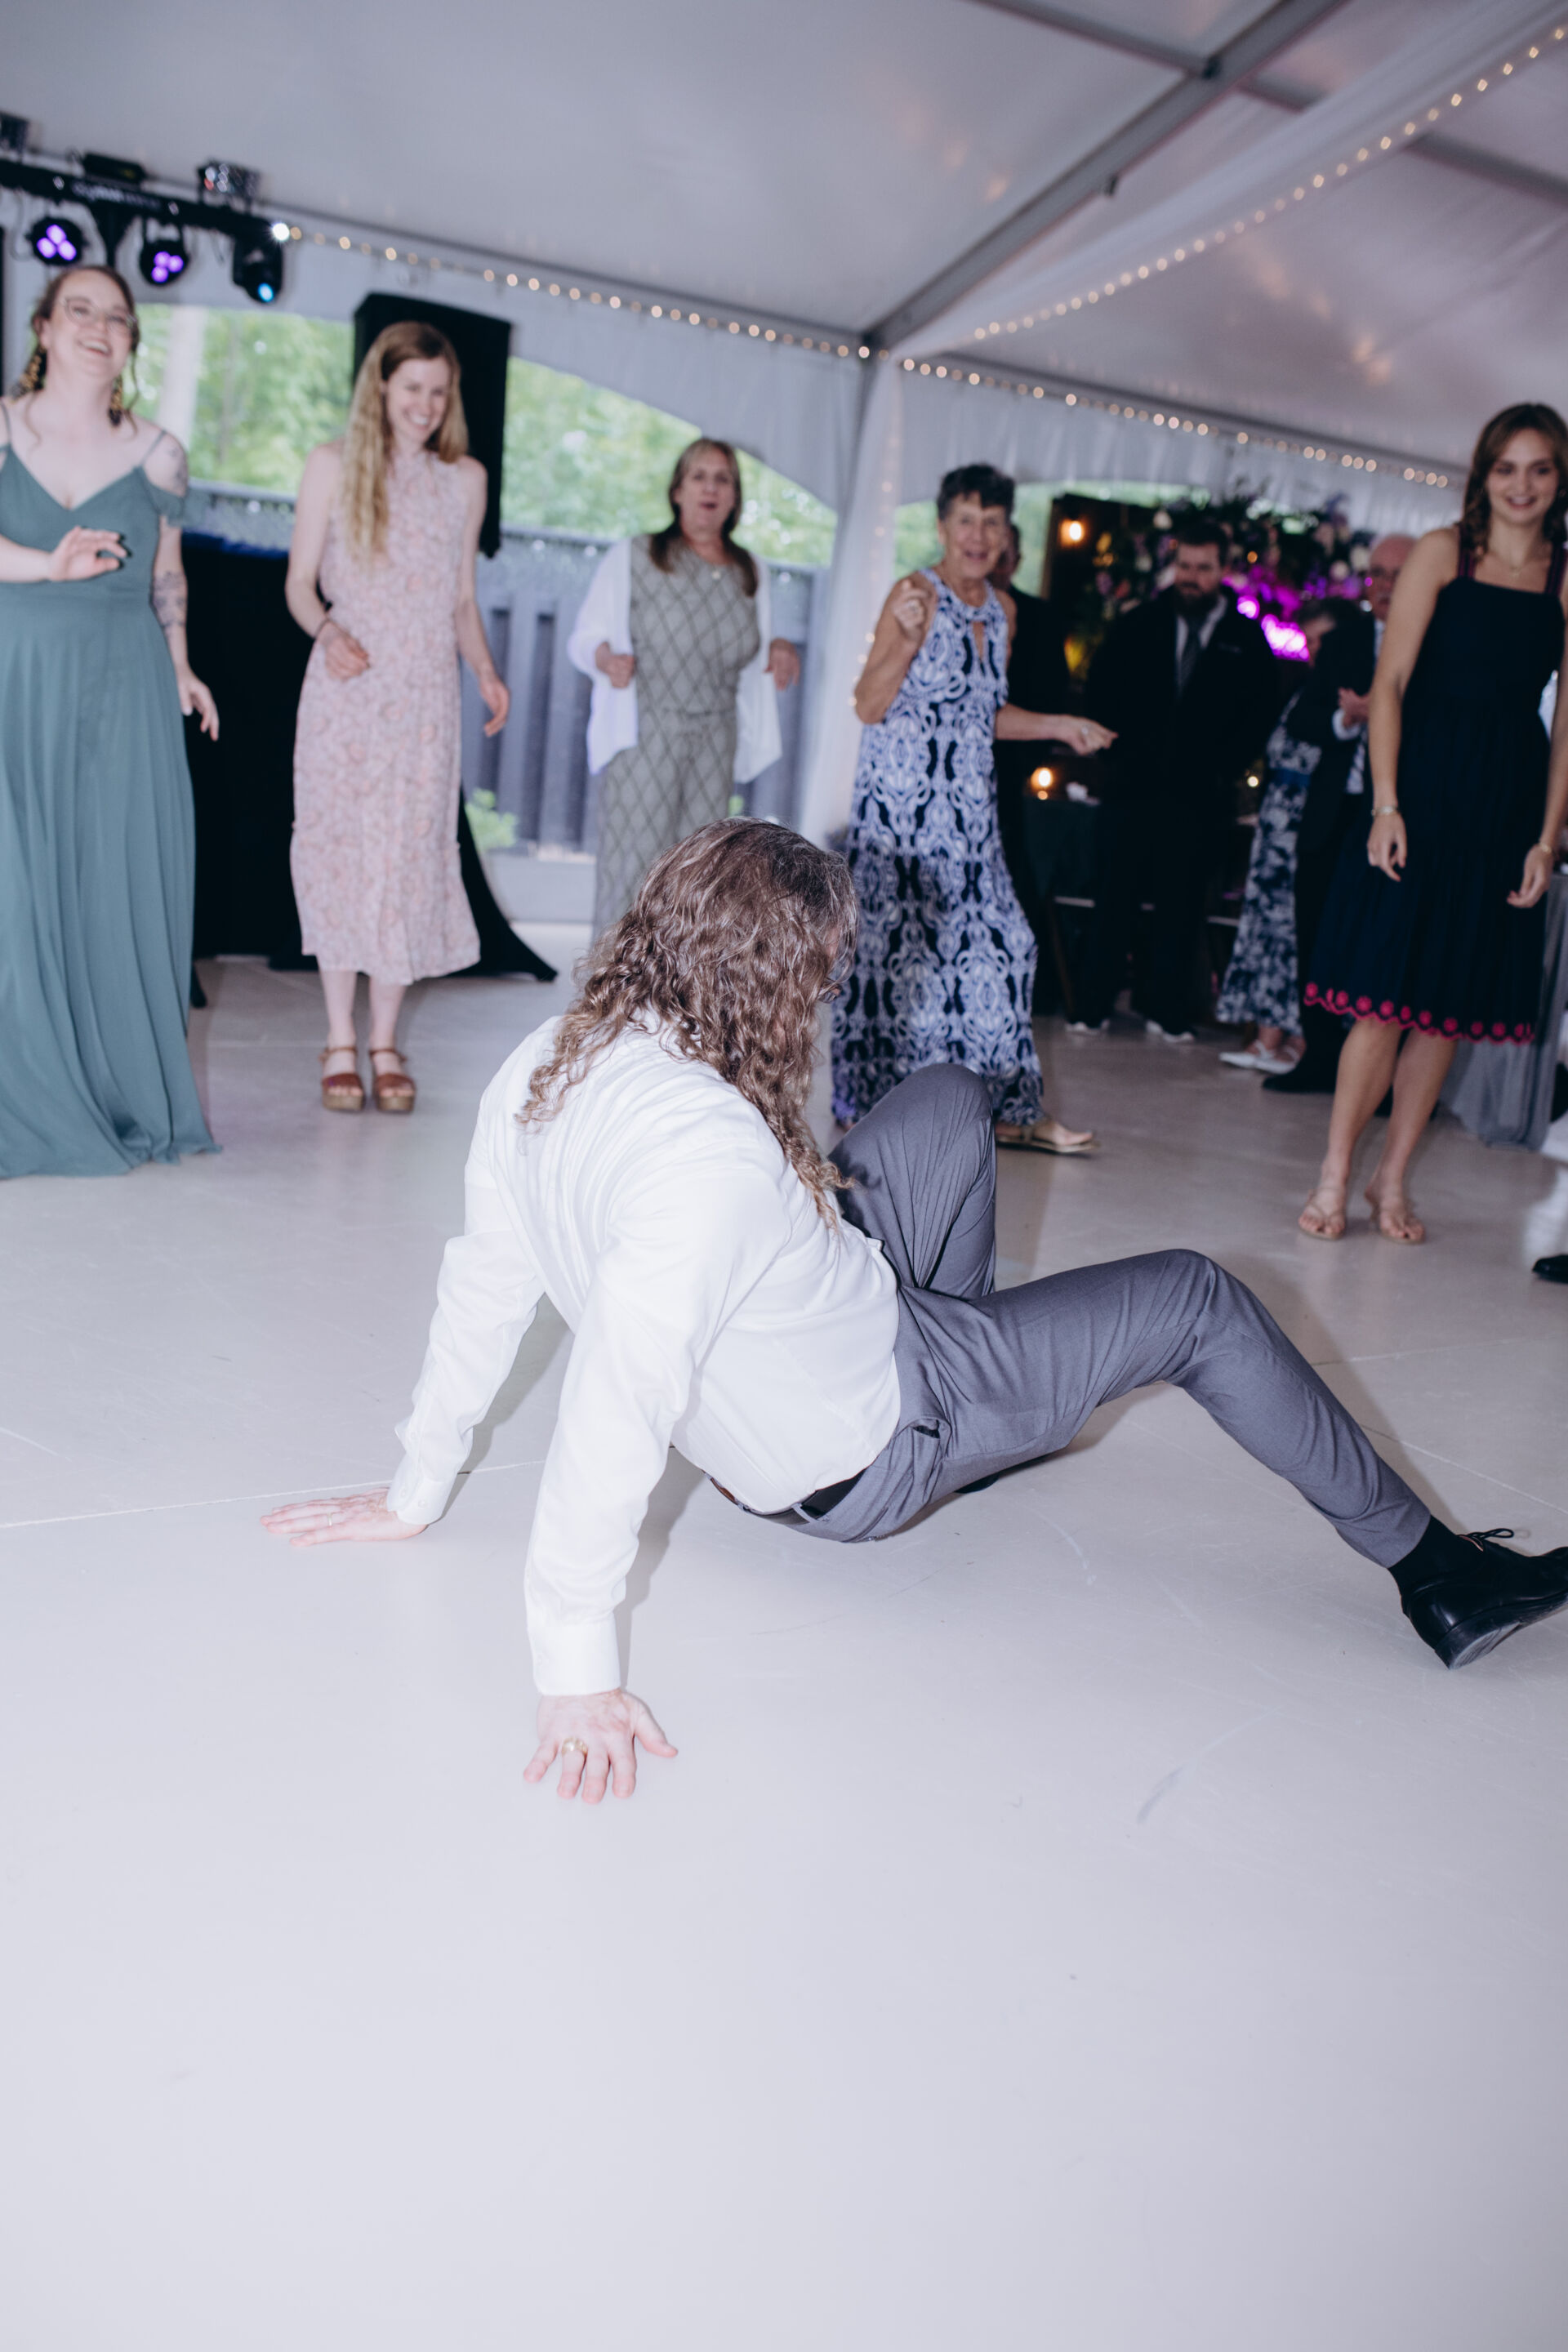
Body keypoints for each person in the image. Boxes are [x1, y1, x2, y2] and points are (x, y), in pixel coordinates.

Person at [263, 819, 1568, 1802]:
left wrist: (417, 1486)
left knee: (947, 1096)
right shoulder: (715, 1163)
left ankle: (998, 1398)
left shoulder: (545, 1058)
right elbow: (613, 1398)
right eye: (821, 977)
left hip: (823, 1351)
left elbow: (486, 1277)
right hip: (879, 1441)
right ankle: (1439, 1577)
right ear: (773, 983)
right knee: (1198, 1295)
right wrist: (573, 1671)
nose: (828, 996)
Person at [1299, 407, 1568, 1244]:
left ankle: (1392, 1179)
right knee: (1383, 998)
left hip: (1505, 801)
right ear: (1483, 473)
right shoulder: (1442, 553)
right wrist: (1386, 803)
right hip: (1420, 787)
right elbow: (1390, 684)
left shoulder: (1565, 575)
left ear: (1560, 480)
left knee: (1444, 1007)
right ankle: (1334, 1174)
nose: (1522, 486)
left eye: (1540, 469)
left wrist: (1547, 837)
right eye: (1507, 468)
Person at [0, 265, 218, 1179]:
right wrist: (47, 566)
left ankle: (112, 1085)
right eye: (80, 310)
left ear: (131, 342)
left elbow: (168, 571)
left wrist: (180, 666)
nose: (100, 327)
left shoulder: (160, 453)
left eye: (118, 318)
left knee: (108, 880)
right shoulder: (1, 427)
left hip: (122, 682)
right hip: (16, 674)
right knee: (15, 885)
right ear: (44, 328)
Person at [832, 464, 1111, 1150]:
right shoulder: (914, 593)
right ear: (942, 526)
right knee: (894, 957)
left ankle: (1007, 1110)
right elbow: (868, 705)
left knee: (1007, 945)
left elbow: (980, 712)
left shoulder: (1003, 610)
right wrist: (904, 641)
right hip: (901, 813)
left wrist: (1061, 725)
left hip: (968, 811)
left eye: (991, 523)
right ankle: (869, 1105)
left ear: (1007, 534)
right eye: (965, 521)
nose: (978, 536)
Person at [287, 320, 510, 1116]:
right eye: (412, 387)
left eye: (439, 392)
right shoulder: (332, 465)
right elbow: (299, 585)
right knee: (344, 854)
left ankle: (384, 1042)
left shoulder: (464, 480)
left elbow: (461, 599)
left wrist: (485, 671)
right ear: (380, 385)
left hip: (423, 697)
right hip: (347, 689)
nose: (425, 404)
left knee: (407, 859)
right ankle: (338, 1039)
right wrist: (328, 632)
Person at [567, 437, 800, 939]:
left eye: (722, 480)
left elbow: (757, 643)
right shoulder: (636, 556)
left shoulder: (751, 571)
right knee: (631, 869)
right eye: (699, 477)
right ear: (677, 491)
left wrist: (779, 644)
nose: (710, 489)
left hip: (717, 738)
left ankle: (677, 987)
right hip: (646, 732)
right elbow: (584, 637)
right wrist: (605, 658)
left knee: (697, 880)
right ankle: (608, 984)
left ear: (734, 497)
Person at [1075, 514, 1284, 1042]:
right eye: (1185, 566)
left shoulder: (1246, 638)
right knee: (1113, 899)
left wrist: (1224, 768)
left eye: (1203, 568)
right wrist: (1116, 757)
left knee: (1183, 905)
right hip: (1130, 788)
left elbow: (1261, 715)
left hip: (1200, 797)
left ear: (1223, 570)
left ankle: (1166, 1008)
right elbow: (1100, 691)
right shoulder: (1137, 623)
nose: (1192, 578)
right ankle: (1092, 1004)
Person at [1263, 539, 1416, 1096]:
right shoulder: (1346, 641)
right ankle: (1319, 1057)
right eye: (1377, 574)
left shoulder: (1435, 643)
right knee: (1317, 934)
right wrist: (1347, 719)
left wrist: (1391, 712)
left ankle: (1385, 1079)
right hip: (1336, 811)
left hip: (1401, 815)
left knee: (1390, 943)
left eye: (1399, 574)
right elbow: (1303, 718)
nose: (1387, 586)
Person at [1214, 600, 1343, 1073]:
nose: (1315, 650)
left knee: (1300, 930)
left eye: (1324, 640)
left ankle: (1300, 1038)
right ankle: (1266, 1034)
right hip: (1277, 823)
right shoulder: (1302, 687)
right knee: (1267, 927)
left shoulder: (1348, 691)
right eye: (1310, 640)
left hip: (1312, 823)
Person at [987, 519, 1077, 988]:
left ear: (1017, 561)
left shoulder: (1039, 618)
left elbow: (1051, 694)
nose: (995, 564)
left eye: (1005, 556)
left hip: (1010, 768)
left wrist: (1026, 763)